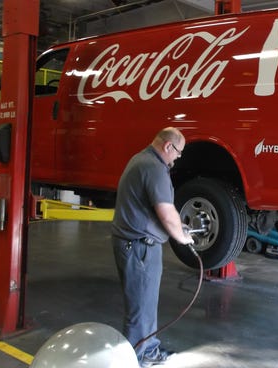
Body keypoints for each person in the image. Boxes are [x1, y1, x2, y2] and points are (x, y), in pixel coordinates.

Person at [111, 127, 194, 368]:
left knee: (145, 304)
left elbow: (156, 209)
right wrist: (182, 237)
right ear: (168, 146)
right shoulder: (154, 168)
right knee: (139, 308)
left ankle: (149, 348)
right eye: (178, 151)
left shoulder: (142, 159)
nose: (178, 157)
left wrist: (179, 228)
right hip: (138, 247)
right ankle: (136, 359)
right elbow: (167, 213)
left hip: (137, 244)